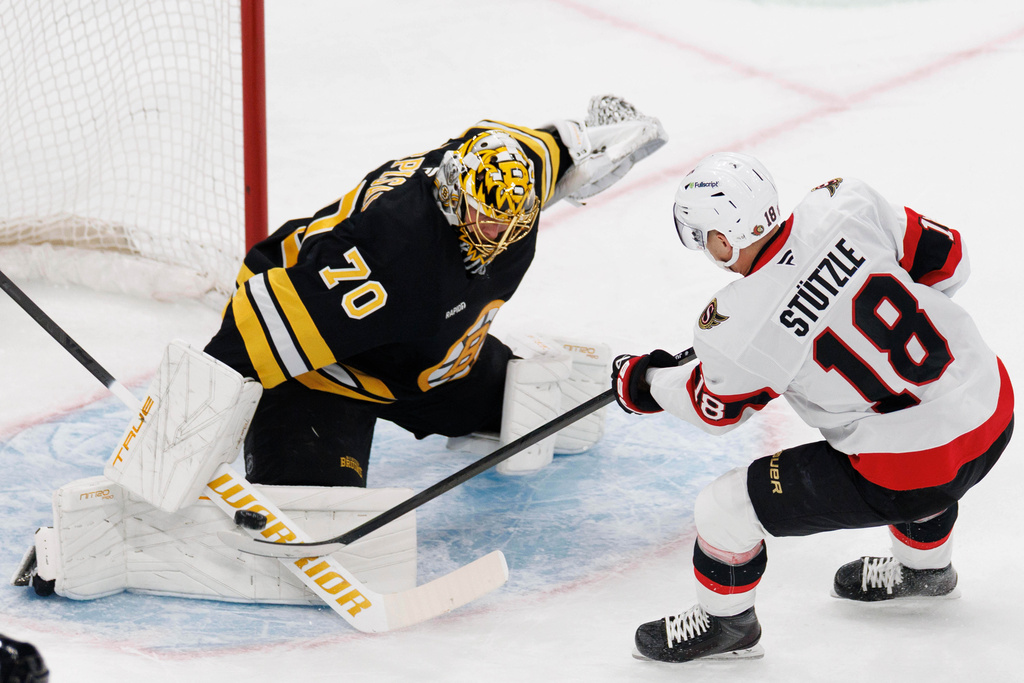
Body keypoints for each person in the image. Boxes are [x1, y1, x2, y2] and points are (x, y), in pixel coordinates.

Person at [611, 152, 1014, 662]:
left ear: (721, 239)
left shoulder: (736, 325)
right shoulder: (844, 203)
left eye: (700, 235)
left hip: (915, 472)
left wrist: (644, 380)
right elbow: (950, 258)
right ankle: (925, 571)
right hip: (992, 407)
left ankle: (727, 627)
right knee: (916, 425)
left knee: (725, 508)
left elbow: (715, 411)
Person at [203, 94, 667, 485]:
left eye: (513, 219)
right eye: (487, 217)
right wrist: (177, 430)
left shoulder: (513, 178)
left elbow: (561, 146)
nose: (500, 234)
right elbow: (258, 330)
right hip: (326, 364)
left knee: (538, 407)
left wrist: (604, 138)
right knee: (313, 511)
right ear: (451, 196)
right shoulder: (391, 250)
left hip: (429, 359)